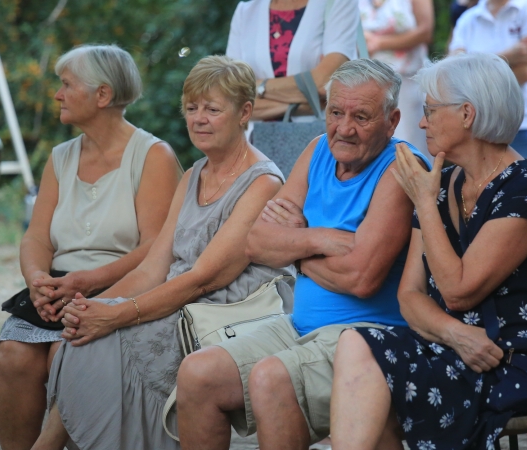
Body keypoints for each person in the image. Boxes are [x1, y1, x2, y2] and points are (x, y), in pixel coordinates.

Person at [329, 53, 527, 450]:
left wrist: (424, 203)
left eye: (429, 110)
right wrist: (456, 335)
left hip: (518, 354)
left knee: (384, 379)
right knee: (356, 342)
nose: (422, 122)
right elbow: (409, 296)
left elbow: (459, 290)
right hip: (457, 347)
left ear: (467, 114)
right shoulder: (440, 184)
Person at [30, 55, 294, 450]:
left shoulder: (263, 182)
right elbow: (155, 266)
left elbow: (206, 277)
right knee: (79, 338)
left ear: (245, 113)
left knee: (98, 346)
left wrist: (117, 315)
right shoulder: (192, 175)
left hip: (226, 313)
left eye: (212, 109)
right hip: (181, 301)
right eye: (191, 108)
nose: (199, 119)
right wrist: (92, 307)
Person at [177, 59, 431, 450]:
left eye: (361, 117)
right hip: (297, 325)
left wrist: (293, 245)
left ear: (392, 120)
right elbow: (257, 242)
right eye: (334, 112)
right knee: (198, 374)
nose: (343, 128)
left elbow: (361, 279)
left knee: (269, 378)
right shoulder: (318, 150)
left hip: (366, 338)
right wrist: (323, 239)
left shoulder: (400, 168)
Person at [0, 44, 182, 450]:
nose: (58, 94)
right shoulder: (60, 157)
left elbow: (155, 248)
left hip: (124, 289)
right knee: (13, 356)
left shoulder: (153, 156)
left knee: (68, 357)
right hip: (58, 289)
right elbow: (37, 237)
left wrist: (89, 281)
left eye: (66, 85)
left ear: (103, 95)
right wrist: (37, 280)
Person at [450, 0, 527, 180]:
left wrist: (471, 73)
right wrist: (508, 55)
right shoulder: (468, 18)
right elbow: (452, 75)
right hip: (480, 131)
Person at [226, 0, 359, 123]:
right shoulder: (245, 12)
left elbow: (325, 81)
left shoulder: (337, 3)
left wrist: (258, 87)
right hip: (255, 142)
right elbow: (230, 97)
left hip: (321, 138)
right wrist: (308, 104)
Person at [360, 0, 434, 156]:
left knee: (409, 148)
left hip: (406, 82)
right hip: (364, 84)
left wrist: (379, 43)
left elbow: (426, 31)